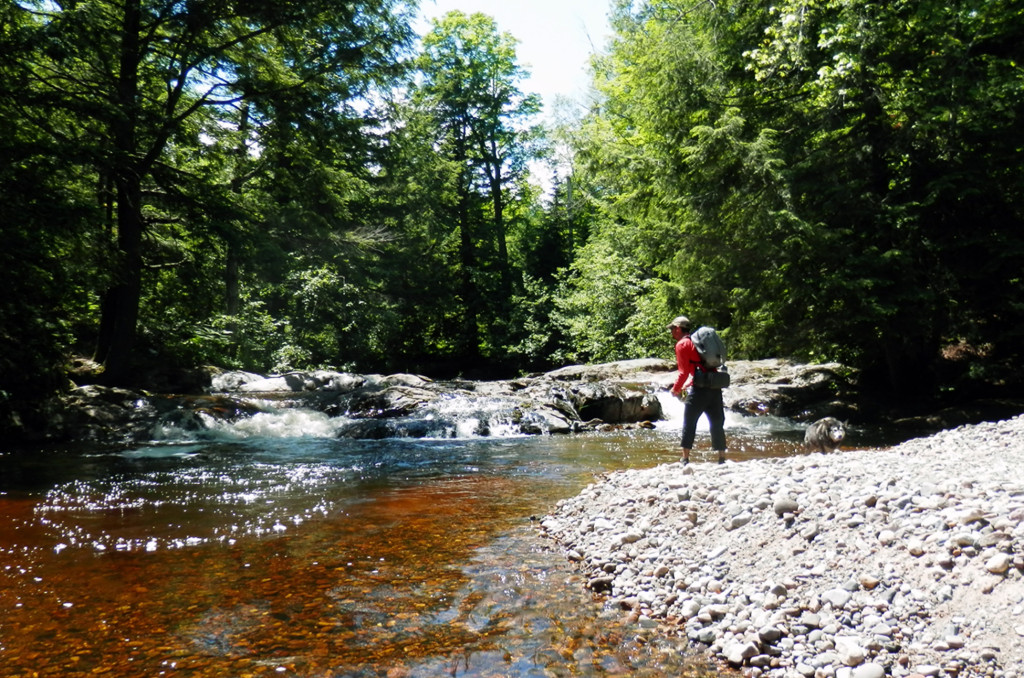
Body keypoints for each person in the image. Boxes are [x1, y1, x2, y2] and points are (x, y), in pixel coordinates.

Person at [668, 315, 727, 464]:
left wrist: (676, 389)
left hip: (699, 389)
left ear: (678, 329)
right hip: (714, 385)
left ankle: (685, 458)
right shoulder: (700, 343)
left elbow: (684, 372)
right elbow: (702, 367)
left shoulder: (682, 344)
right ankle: (721, 458)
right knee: (717, 422)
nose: (671, 333)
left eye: (672, 329)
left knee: (690, 421)